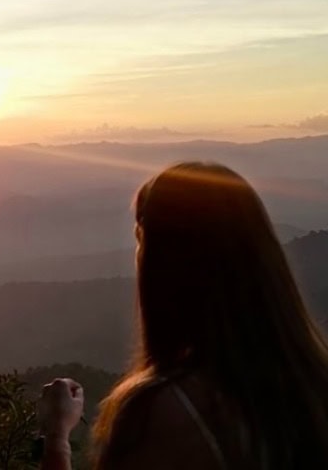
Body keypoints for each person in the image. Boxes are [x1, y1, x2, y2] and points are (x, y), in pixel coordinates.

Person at [36, 162, 328, 469]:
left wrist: (56, 438)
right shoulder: (312, 389)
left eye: (141, 240)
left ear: (162, 269)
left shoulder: (163, 412)